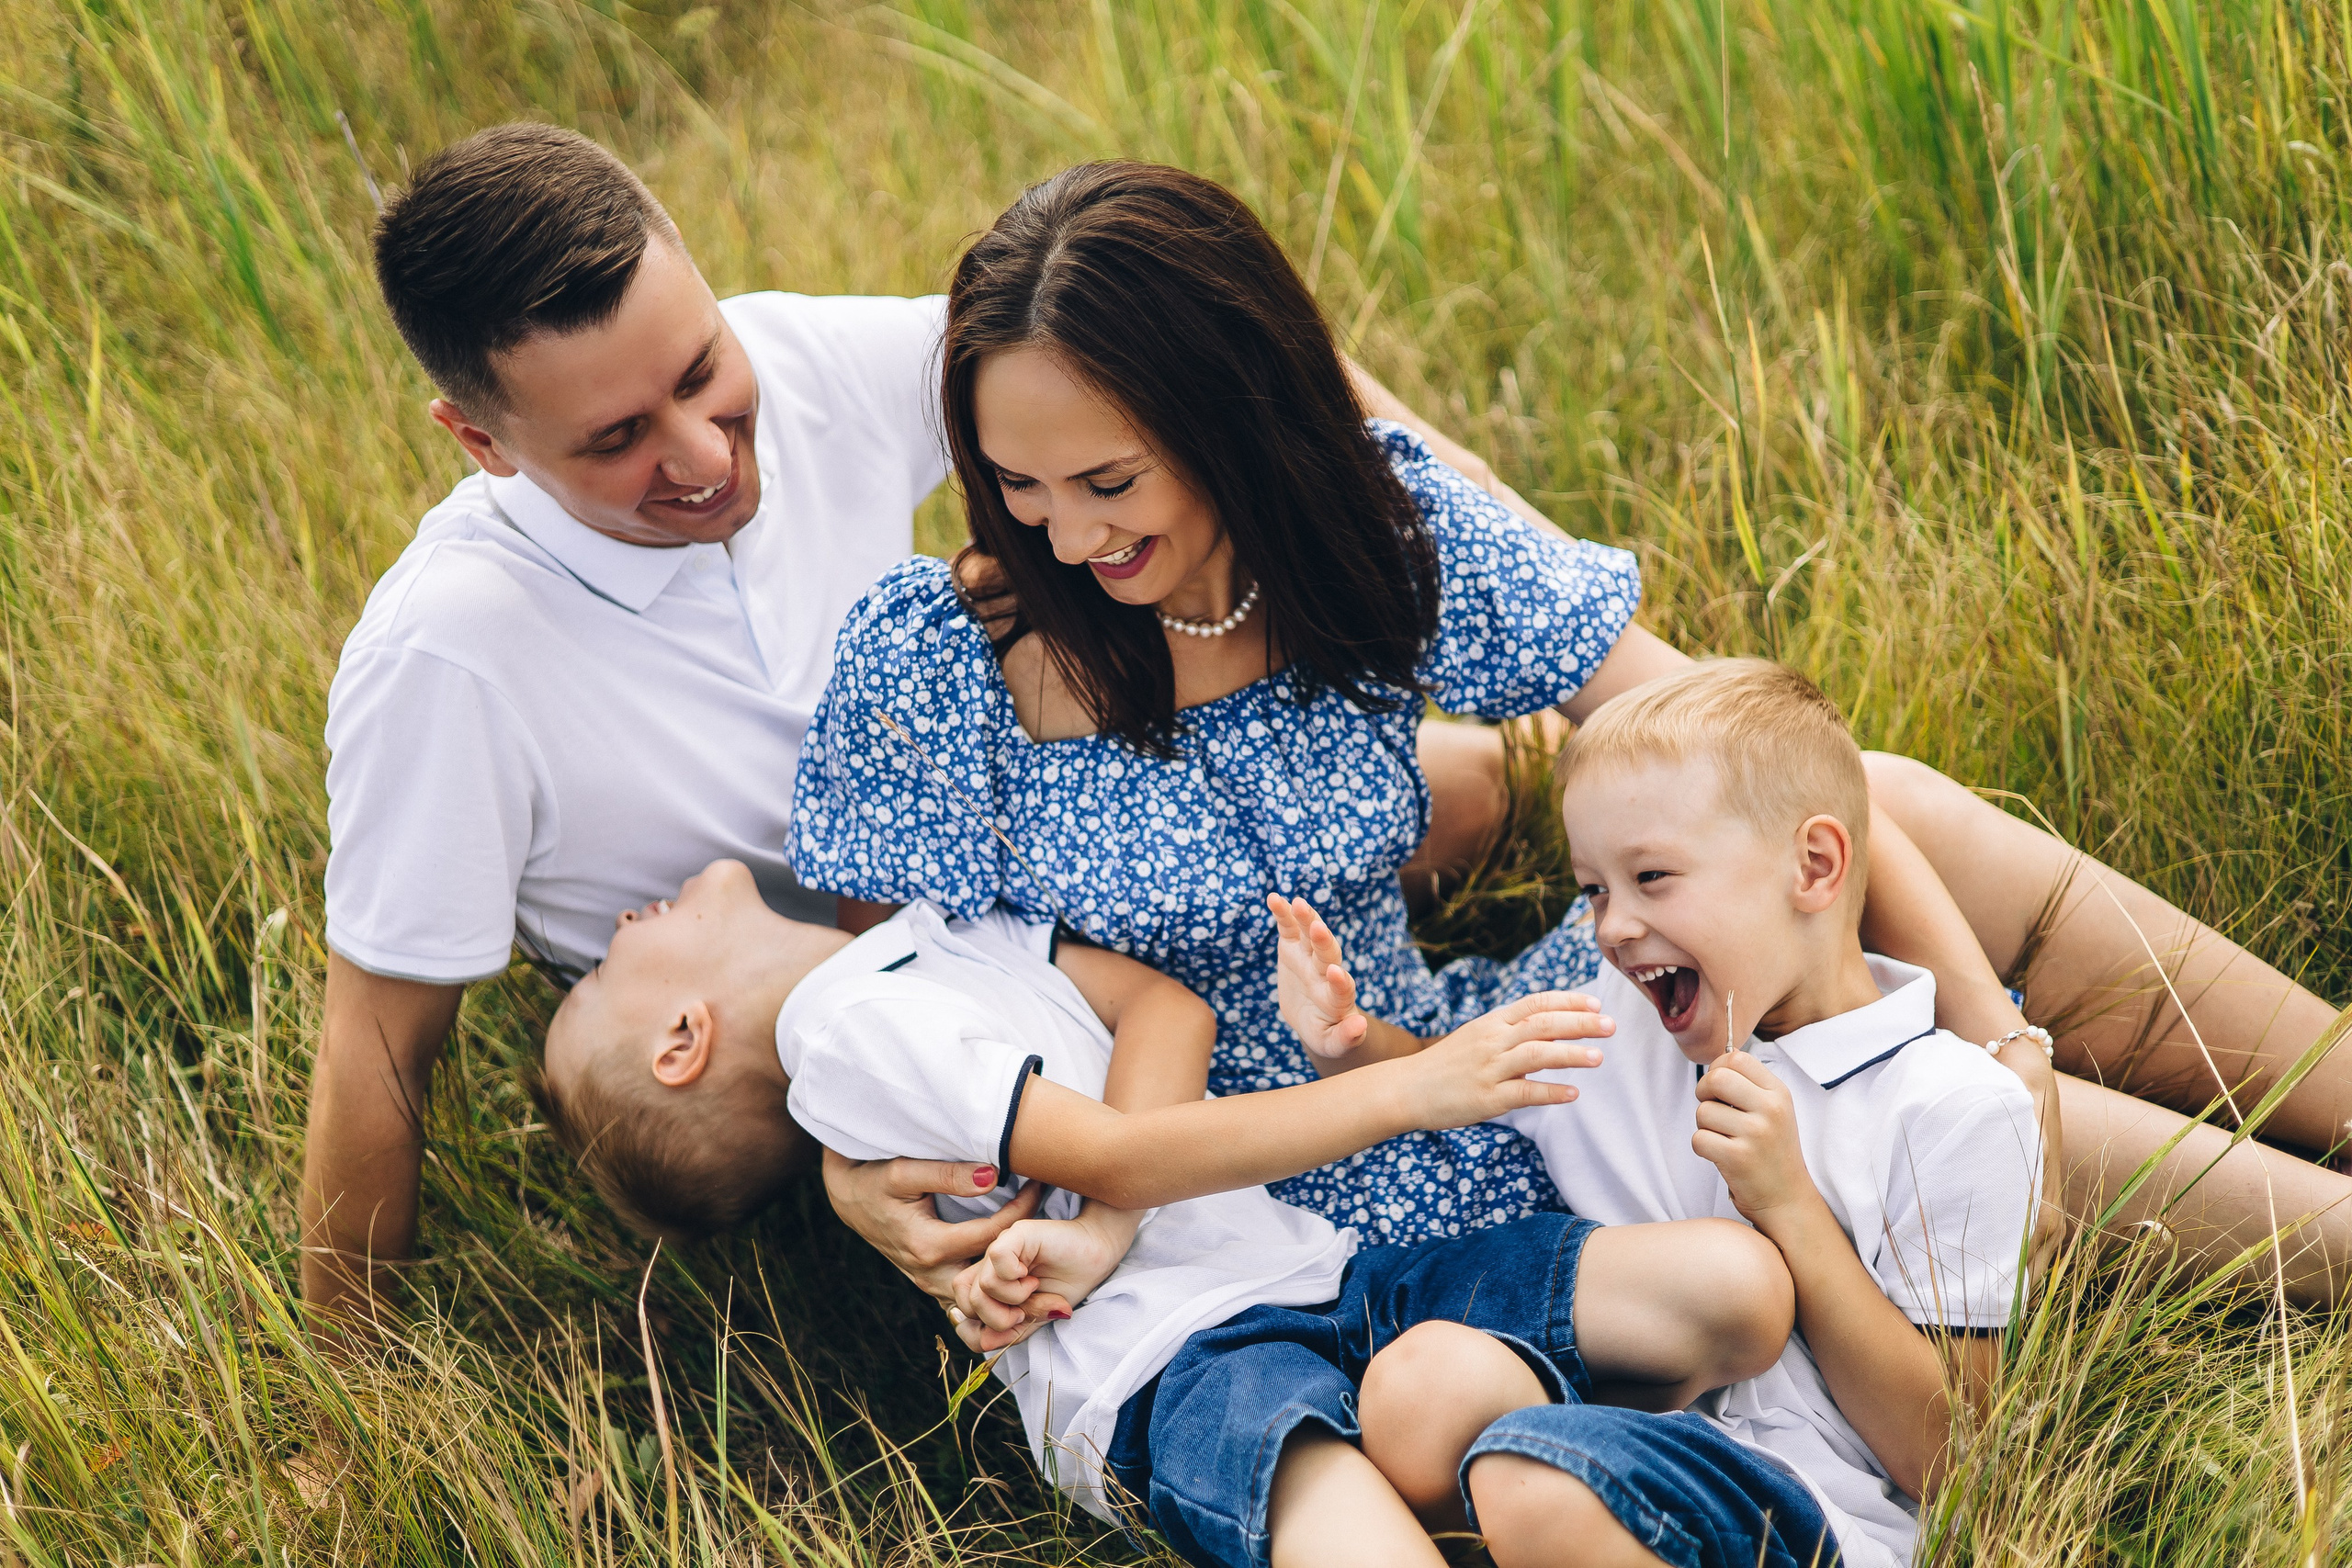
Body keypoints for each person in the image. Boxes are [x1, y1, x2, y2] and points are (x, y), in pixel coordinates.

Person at [792, 158, 2347, 1306]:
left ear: (1234, 413)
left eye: (1109, 481)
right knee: (1873, 1086)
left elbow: (1735, 739)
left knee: (1887, 821)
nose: (1065, 537)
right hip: (1226, 1211)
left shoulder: (1362, 531)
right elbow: (899, 1015)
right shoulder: (939, 662)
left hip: (1471, 1065)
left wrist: (1989, 1029)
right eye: (1021, 487)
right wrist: (864, 1184)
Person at [304, 126, 1512, 1324]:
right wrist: (348, 1383)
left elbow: (1200, 359)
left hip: (1008, 855)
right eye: (615, 440)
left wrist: (1511, 553)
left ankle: (1259, 1029)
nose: (701, 453)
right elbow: (378, 1042)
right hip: (784, 1022)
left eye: (697, 372)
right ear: (481, 442)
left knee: (1464, 781)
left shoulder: (807, 359)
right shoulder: (446, 655)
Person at [534, 858, 1795, 1566]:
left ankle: (1473, 1483)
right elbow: (1116, 1148)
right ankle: (1483, 1491)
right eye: (607, 966)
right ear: (684, 1041)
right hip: (1161, 1362)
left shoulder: (922, 943)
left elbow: (1165, 1012)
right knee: (1318, 1502)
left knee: (1733, 1283)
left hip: (1309, 1266)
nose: (622, 915)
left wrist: (1101, 1223)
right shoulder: (841, 1033)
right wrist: (1415, 1085)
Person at [1289, 660, 2039, 1568]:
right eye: (1594, 889)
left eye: (1651, 877)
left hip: (1808, 1507)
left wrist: (1791, 1206)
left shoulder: (1951, 1106)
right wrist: (1353, 1042)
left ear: (1813, 867)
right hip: (1621, 1439)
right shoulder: (1620, 1030)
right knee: (1424, 1386)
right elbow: (1456, 1079)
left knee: (1536, 1482)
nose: (1610, 927)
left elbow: (1951, 1456)